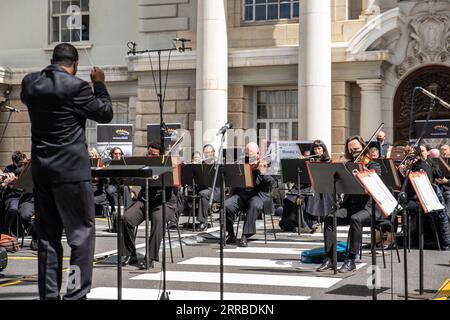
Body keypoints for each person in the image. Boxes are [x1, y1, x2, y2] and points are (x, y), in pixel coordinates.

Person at [20, 43, 113, 300]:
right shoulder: (77, 87)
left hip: (42, 172)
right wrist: (99, 84)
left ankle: (49, 296)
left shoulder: (30, 84)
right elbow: (105, 113)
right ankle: (75, 294)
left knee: (48, 239)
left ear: (52, 59)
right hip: (71, 173)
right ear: (75, 65)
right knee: (80, 237)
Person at [317, 135, 382, 273]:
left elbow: (376, 182)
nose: (354, 152)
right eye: (351, 150)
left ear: (363, 148)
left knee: (355, 219)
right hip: (349, 206)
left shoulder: (373, 164)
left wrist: (363, 173)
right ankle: (330, 258)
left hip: (368, 207)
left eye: (357, 149)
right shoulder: (347, 166)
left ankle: (351, 259)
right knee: (329, 218)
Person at [121, 143, 178, 269]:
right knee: (126, 218)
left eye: (154, 154)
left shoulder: (168, 165)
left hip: (164, 202)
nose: (150, 156)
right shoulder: (143, 164)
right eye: (149, 153)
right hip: (145, 200)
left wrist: (174, 169)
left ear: (161, 156)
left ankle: (150, 257)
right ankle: (130, 253)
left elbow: (175, 185)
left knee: (158, 220)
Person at [225, 142, 277, 247]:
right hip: (241, 194)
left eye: (252, 155)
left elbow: (273, 183)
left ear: (258, 154)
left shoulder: (267, 163)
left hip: (258, 195)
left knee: (254, 205)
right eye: (247, 155)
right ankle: (230, 234)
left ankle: (245, 236)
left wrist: (262, 172)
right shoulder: (241, 163)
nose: (249, 158)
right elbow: (233, 180)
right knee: (226, 206)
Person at [196, 144, 220, 231]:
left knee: (203, 194)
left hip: (216, 190)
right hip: (203, 187)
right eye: (206, 153)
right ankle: (172, 220)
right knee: (182, 194)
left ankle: (203, 222)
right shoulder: (201, 164)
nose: (208, 154)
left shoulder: (218, 164)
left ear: (214, 153)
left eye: (210, 152)